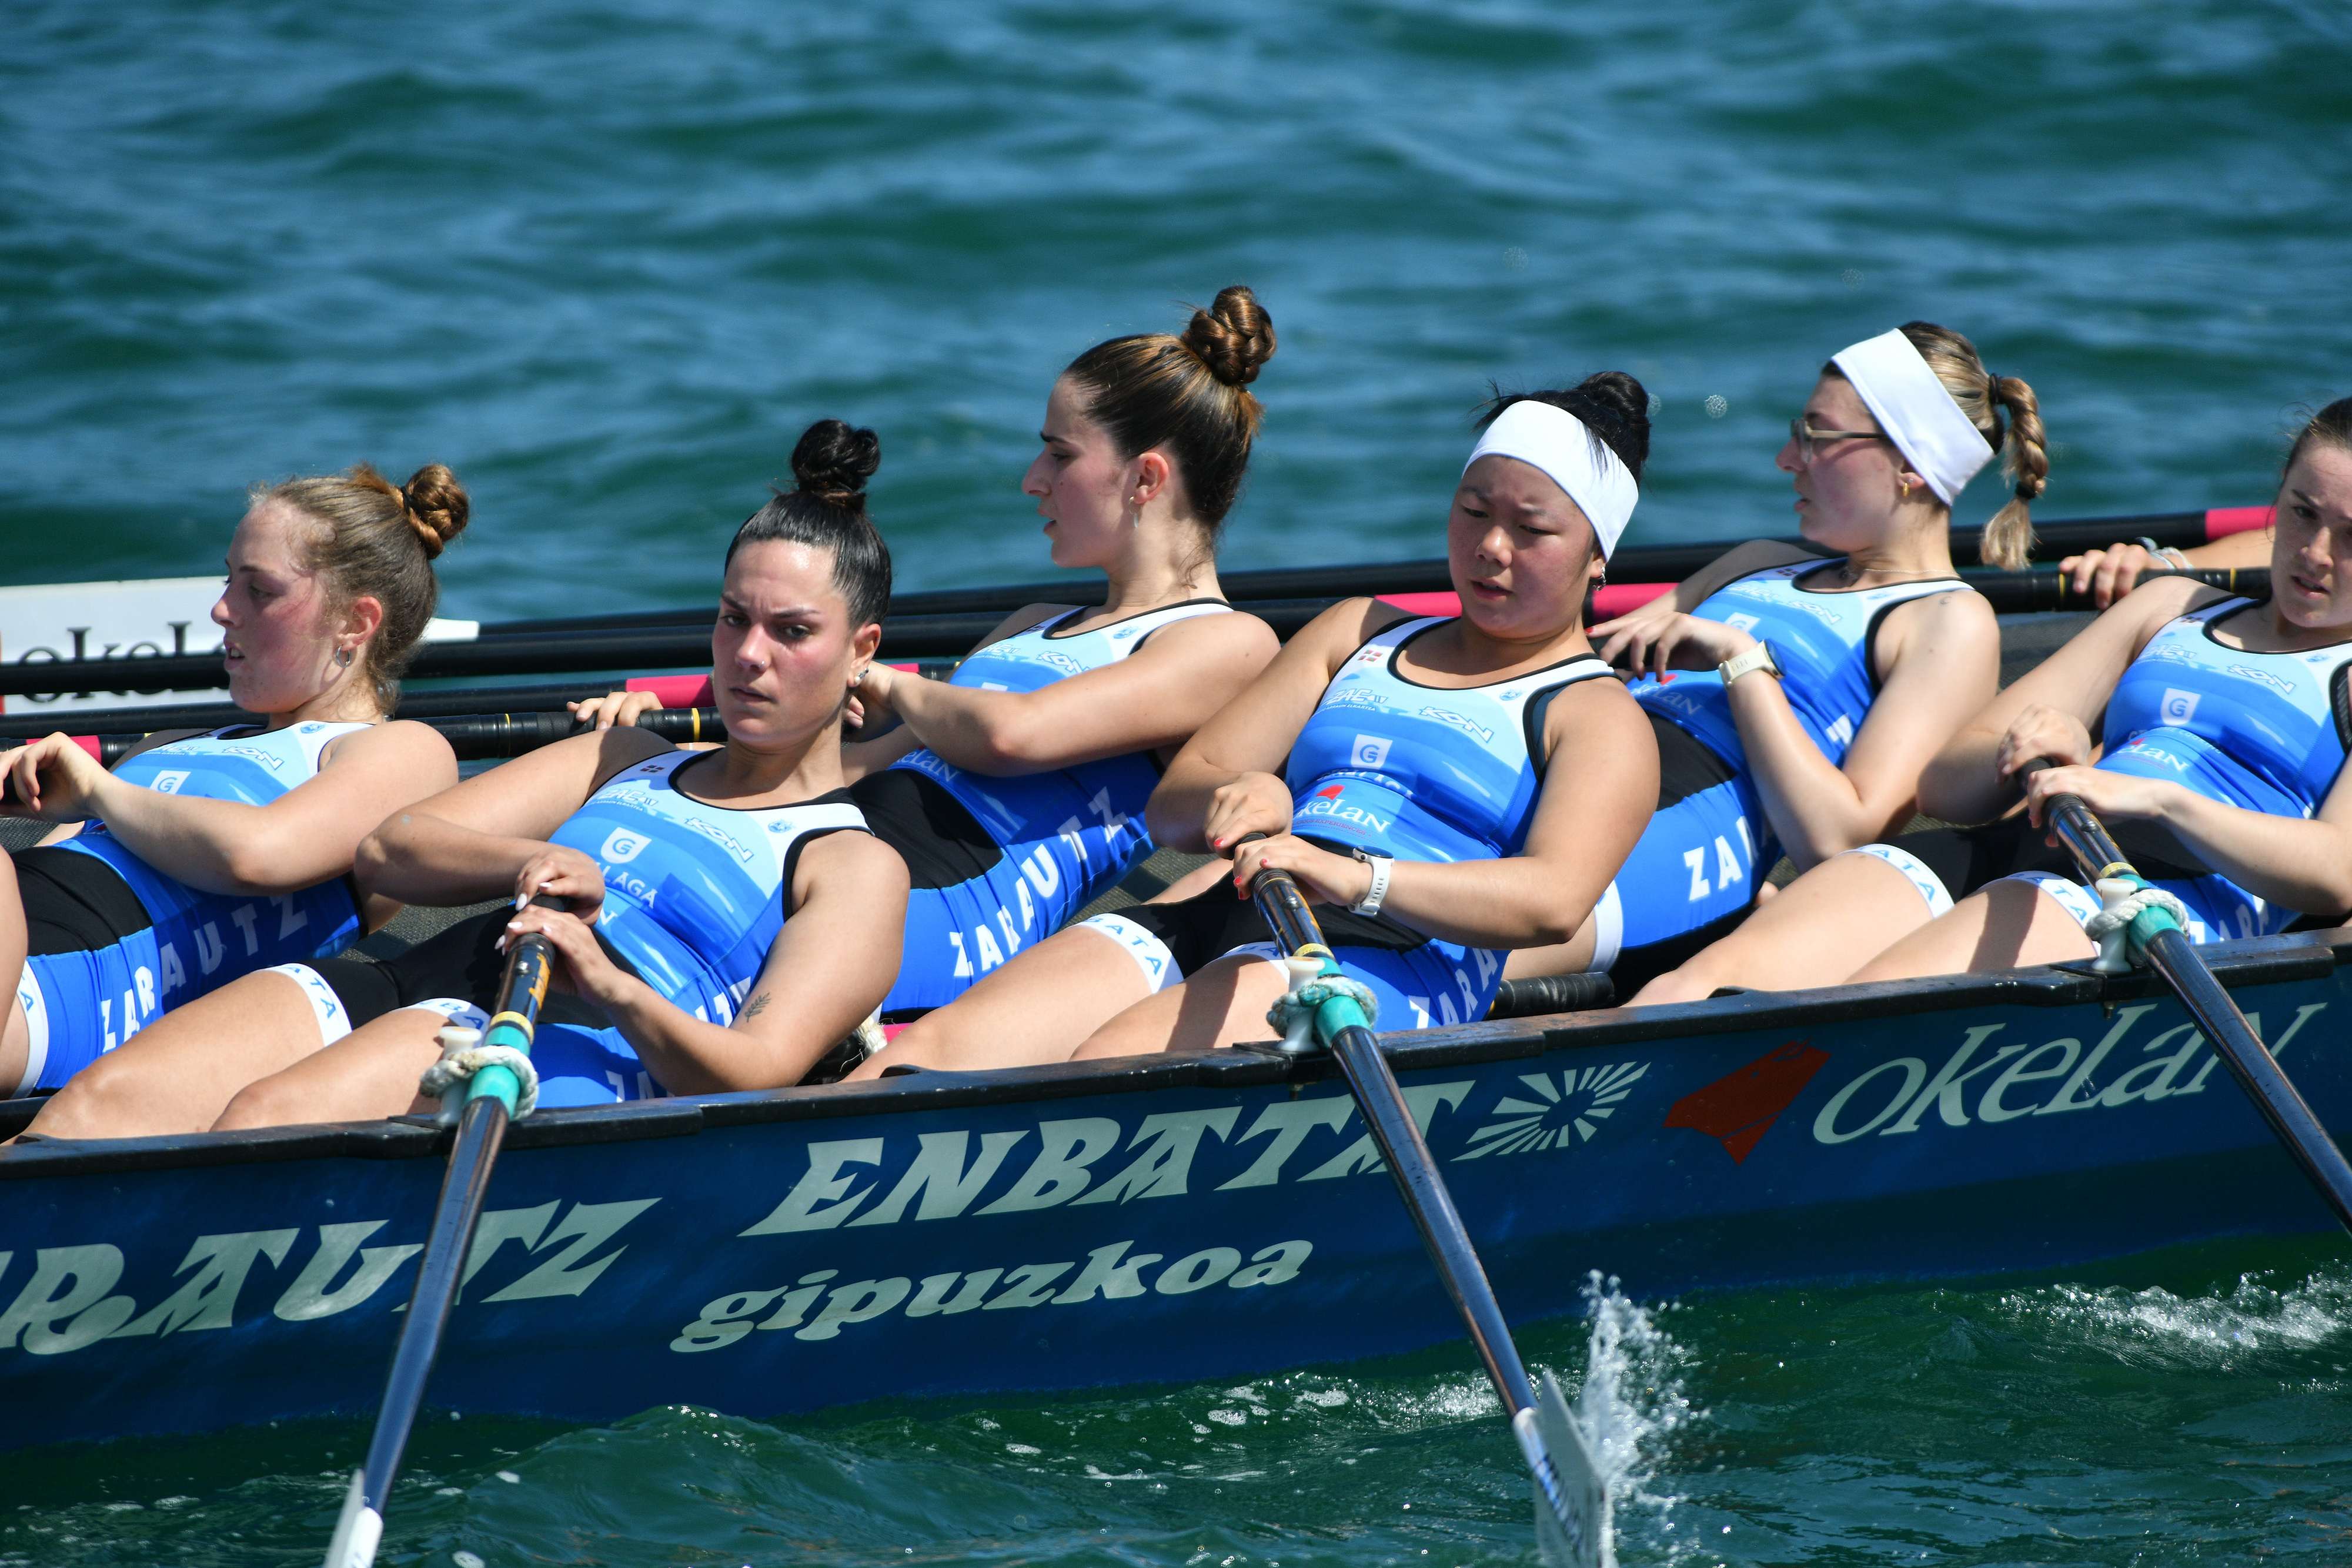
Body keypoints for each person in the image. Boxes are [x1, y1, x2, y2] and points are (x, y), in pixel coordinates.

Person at [22, 422, 907, 1136]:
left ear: (861, 649)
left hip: (566, 1035)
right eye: (731, 619)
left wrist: (609, 980)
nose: (748, 656)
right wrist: (532, 860)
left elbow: (756, 1066)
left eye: (791, 632)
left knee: (264, 1119)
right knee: (92, 1114)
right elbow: (391, 847)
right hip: (420, 969)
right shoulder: (630, 755)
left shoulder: (850, 862)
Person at [851, 372, 1659, 1074]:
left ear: (1599, 556)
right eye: (1473, 509)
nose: (1490, 546)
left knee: (1102, 1070)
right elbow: (1177, 804)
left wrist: (1357, 877)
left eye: (1533, 529)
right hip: (1240, 894)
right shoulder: (1359, 630)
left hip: (1384, 956)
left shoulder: (1598, 714)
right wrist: (1254, 791)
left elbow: (1551, 902)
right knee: (926, 1060)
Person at [581, 288, 1282, 1018]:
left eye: (1059, 453)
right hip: (848, 842)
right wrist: (683, 733)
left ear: (1145, 478)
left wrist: (877, 678)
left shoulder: (1228, 641)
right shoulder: (1033, 620)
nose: (1032, 479)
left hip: (955, 907)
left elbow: (1014, 735)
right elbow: (864, 762)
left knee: (650, 946)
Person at [1648, 397, 2352, 997]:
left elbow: (2335, 873)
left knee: (1841, 1019)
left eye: (2350, 536)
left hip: (2162, 896)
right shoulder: (2170, 606)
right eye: (2301, 513)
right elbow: (1947, 786)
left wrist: (2157, 800)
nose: (2315, 553)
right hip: (2024, 841)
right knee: (1694, 990)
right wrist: (2031, 753)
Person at [1518, 323, 2040, 995]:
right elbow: (1601, 650)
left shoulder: (1945, 620)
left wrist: (1741, 661)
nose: (1785, 459)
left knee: (1464, 936)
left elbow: (1838, 843)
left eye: (1816, 437)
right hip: (1582, 753)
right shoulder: (1759, 562)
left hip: (1693, 822)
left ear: (1909, 464)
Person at [0, 464, 469, 1098]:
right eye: (228, 580)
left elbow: (260, 853)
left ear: (355, 624)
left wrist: (98, 791)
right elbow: (55, 865)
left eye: (260, 591)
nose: (222, 610)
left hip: (62, 997)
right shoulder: (171, 746)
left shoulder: (398, 751)